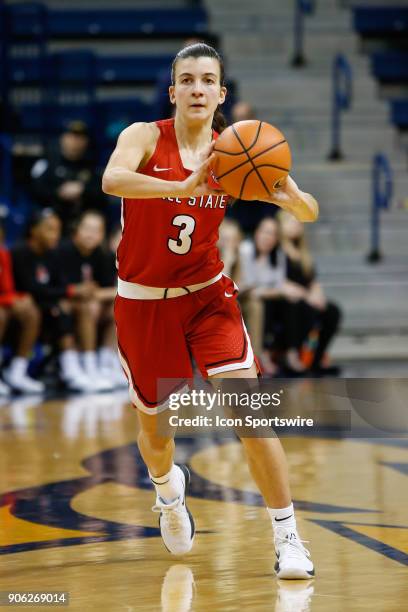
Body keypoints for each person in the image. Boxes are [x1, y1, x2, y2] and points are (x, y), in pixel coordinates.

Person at [102, 42, 318, 579]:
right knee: (156, 435)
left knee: (251, 414)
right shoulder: (144, 137)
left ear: (221, 94)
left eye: (208, 81)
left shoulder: (234, 151)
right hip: (144, 304)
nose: (198, 89)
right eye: (188, 80)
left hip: (208, 298)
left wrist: (289, 195)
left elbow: (309, 212)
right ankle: (167, 491)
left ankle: (288, 536)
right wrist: (179, 184)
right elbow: (111, 180)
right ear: (173, 90)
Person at [11, 209, 99, 392]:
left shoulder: (53, 253)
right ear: (34, 230)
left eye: (58, 230)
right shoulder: (20, 252)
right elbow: (32, 289)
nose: (55, 235)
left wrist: (67, 293)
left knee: (75, 308)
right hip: (23, 305)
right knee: (49, 310)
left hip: (47, 303)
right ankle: (16, 371)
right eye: (50, 229)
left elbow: (60, 284)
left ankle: (84, 368)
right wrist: (69, 291)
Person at [57, 210, 125, 390]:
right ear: (76, 230)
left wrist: (94, 294)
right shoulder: (63, 251)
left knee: (117, 306)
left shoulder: (101, 255)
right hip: (61, 303)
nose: (91, 234)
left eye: (96, 230)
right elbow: (58, 289)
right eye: (87, 228)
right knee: (89, 307)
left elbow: (106, 290)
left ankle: (106, 362)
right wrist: (79, 292)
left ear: (102, 234)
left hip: (88, 303)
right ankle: (87, 364)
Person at [278, 211, 342, 375]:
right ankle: (292, 357)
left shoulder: (302, 252)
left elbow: (312, 280)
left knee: (332, 311)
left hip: (304, 298)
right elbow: (277, 280)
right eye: (291, 221)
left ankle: (317, 359)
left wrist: (317, 295)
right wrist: (307, 296)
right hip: (285, 298)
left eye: (298, 222)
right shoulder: (278, 250)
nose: (297, 225)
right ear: (281, 225)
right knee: (304, 309)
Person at [30, 121, 107, 234]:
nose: (76, 141)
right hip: (53, 217)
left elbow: (102, 193)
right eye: (72, 136)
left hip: (80, 223)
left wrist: (82, 189)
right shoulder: (49, 162)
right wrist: (59, 192)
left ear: (86, 141)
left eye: (80, 138)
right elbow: (35, 190)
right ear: (63, 138)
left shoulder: (91, 165)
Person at [0, 222, 44, 394]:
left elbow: (8, 288)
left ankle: (17, 372)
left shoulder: (3, 254)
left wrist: (16, 299)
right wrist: (11, 300)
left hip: (3, 301)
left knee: (31, 312)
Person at [225, 101, 278, 234]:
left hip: (262, 214)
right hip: (232, 216)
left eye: (245, 117)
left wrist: (269, 218)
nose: (241, 122)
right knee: (228, 233)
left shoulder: (269, 149)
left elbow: (276, 188)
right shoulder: (222, 149)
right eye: (238, 118)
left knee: (271, 226)